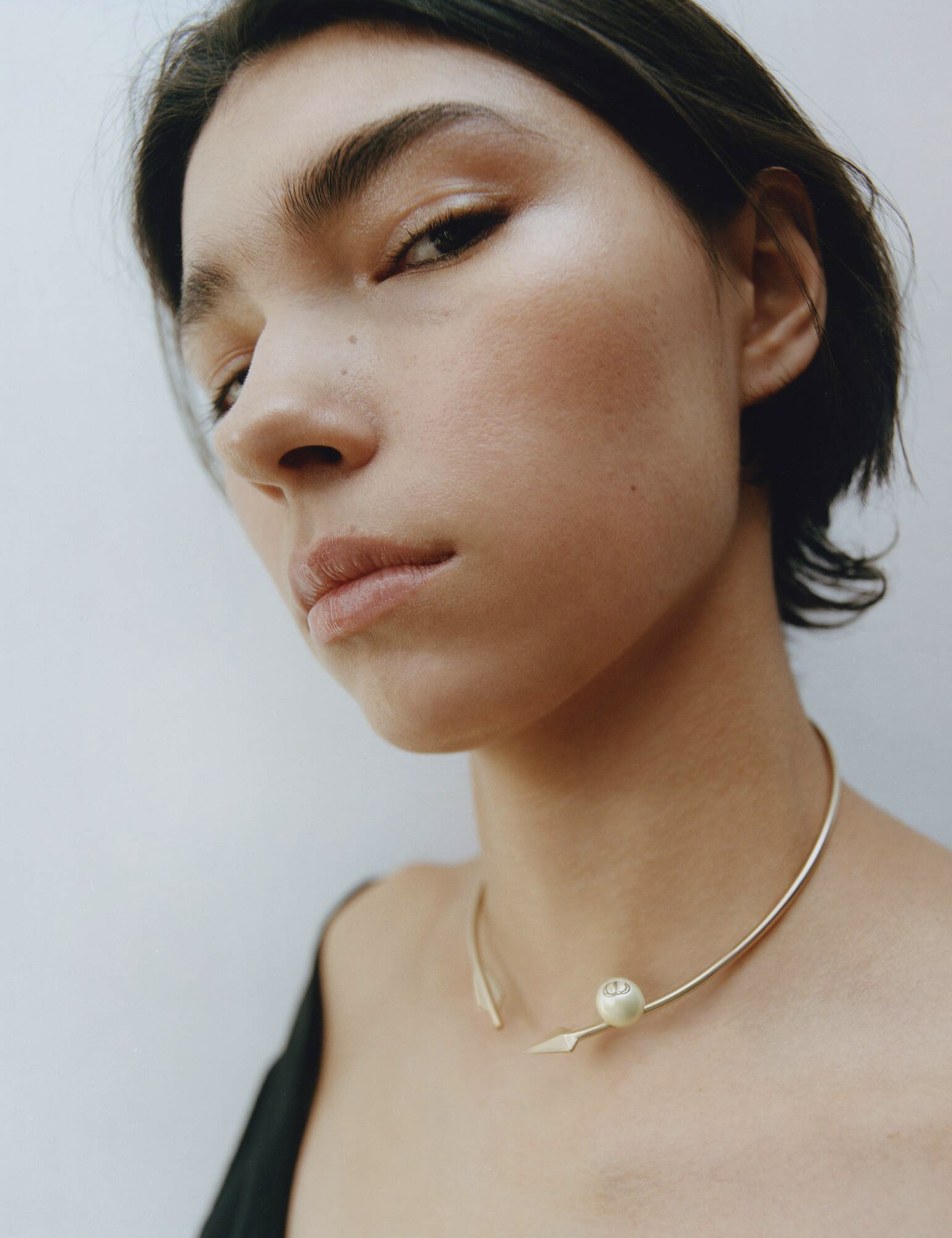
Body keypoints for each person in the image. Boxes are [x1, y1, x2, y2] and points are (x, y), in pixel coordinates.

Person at [128, 0, 952, 1231]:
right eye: (228, 377)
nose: (262, 426)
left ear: (766, 286)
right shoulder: (356, 974)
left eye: (436, 236)